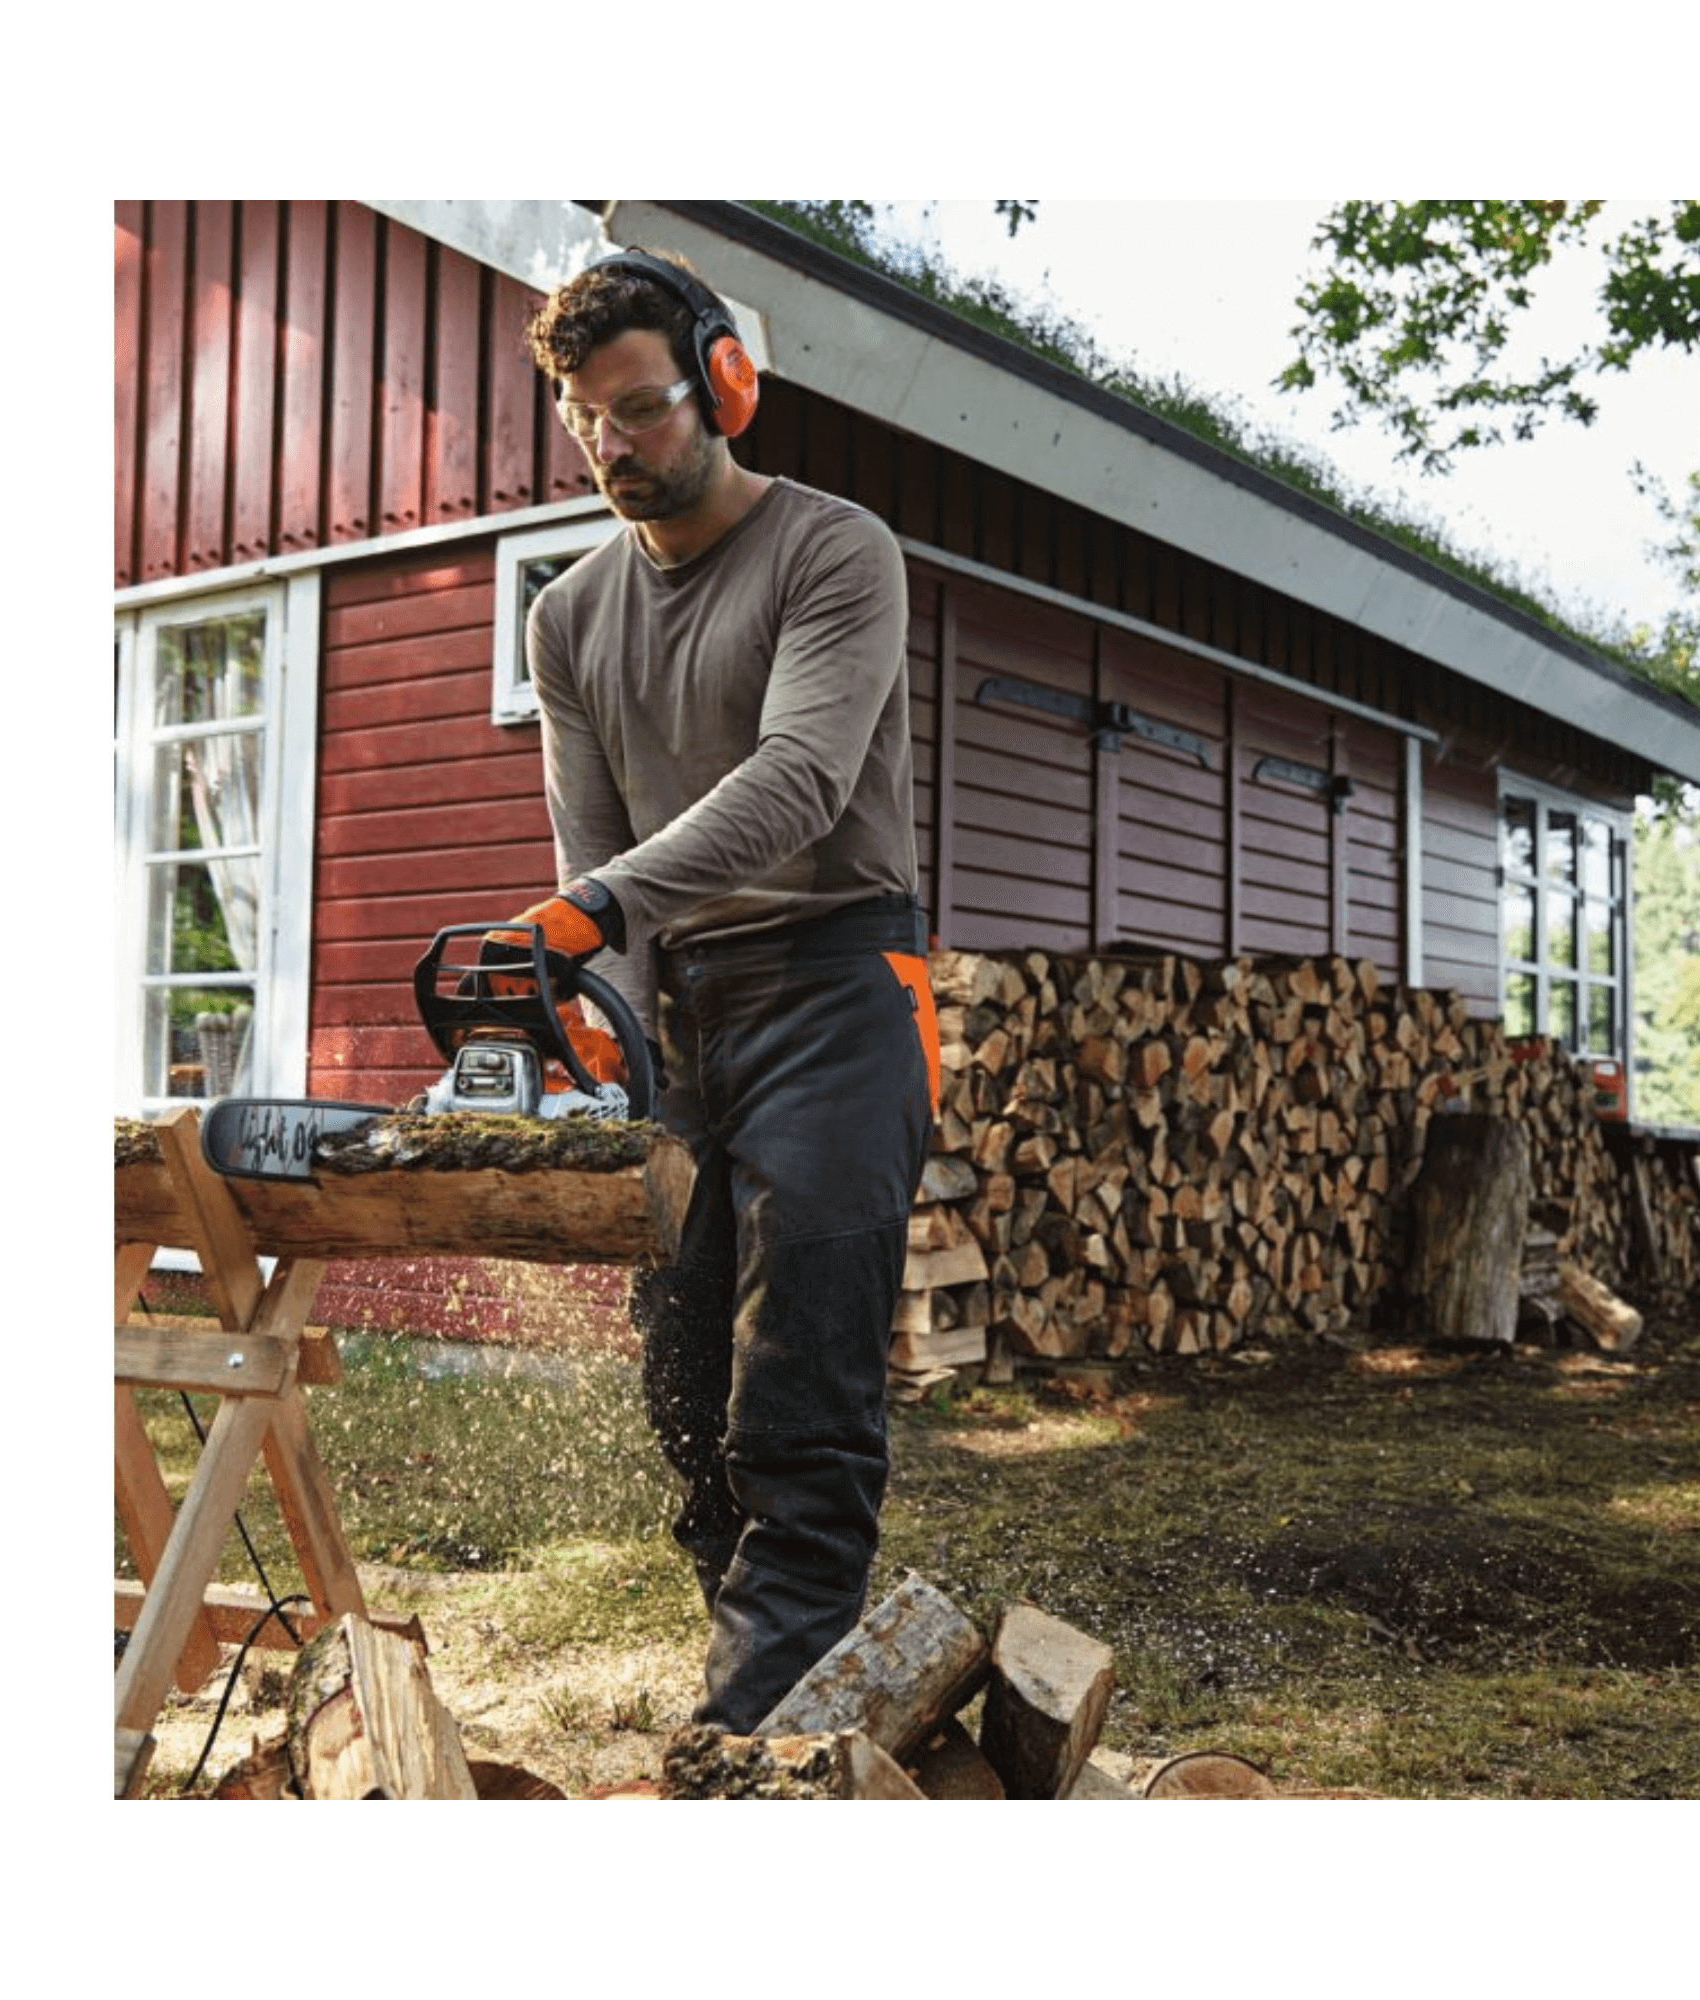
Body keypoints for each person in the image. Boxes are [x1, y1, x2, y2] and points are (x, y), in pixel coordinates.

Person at [507, 248, 939, 1733]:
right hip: (680, 1009)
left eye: (639, 411)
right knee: (686, 1389)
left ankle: (745, 1741)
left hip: (837, 983)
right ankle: (785, 1688)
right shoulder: (567, 618)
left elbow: (801, 782)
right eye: (588, 426)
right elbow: (592, 853)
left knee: (798, 1391)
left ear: (727, 381)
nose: (615, 449)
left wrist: (598, 908)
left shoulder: (837, 552)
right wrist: (596, 1004)